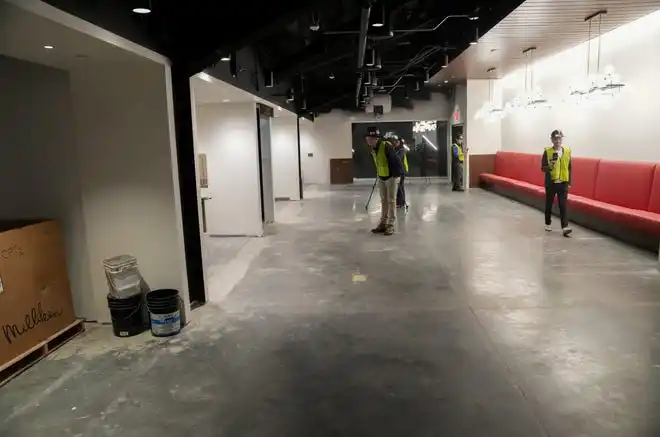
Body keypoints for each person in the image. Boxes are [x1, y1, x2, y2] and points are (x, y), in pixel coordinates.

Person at [366, 127, 403, 236]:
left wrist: (396, 177)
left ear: (376, 139)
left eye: (370, 138)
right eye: (367, 138)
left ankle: (390, 225)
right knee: (383, 201)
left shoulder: (386, 146)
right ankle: (383, 223)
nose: (368, 140)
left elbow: (396, 161)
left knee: (391, 200)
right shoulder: (373, 148)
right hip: (381, 177)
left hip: (391, 177)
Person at [541, 129, 572, 237]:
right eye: (555, 138)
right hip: (551, 183)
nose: (557, 141)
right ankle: (548, 223)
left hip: (563, 182)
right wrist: (550, 166)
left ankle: (565, 227)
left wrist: (569, 182)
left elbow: (569, 167)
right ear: (552, 140)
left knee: (563, 205)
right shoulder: (547, 151)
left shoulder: (567, 151)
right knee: (549, 204)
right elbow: (543, 168)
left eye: (559, 138)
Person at [392, 135, 409, 209]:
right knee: (399, 186)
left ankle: (401, 202)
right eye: (395, 142)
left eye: (397, 142)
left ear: (400, 143)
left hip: (401, 171)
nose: (395, 143)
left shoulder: (402, 150)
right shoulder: (395, 149)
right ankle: (399, 202)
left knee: (400, 187)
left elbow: (397, 158)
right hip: (398, 170)